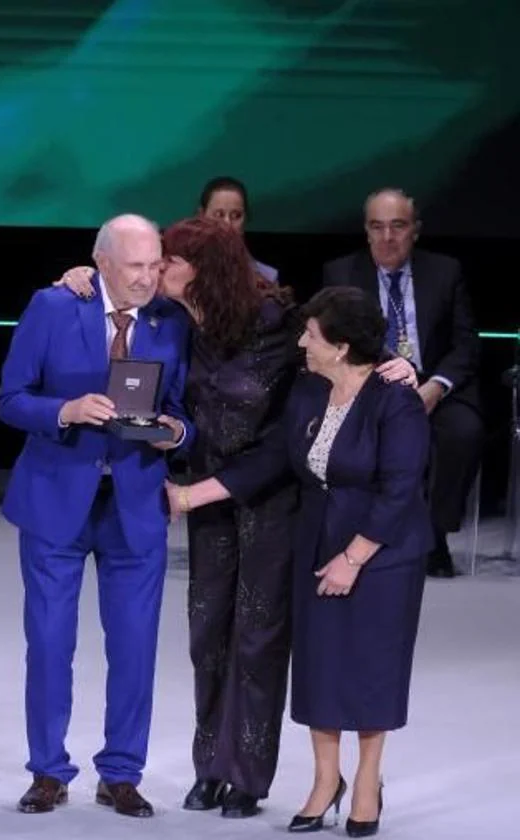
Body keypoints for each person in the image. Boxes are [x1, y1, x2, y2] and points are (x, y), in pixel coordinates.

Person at [58, 215, 300, 817]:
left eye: (169, 261)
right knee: (207, 638)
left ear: (205, 270)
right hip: (202, 497)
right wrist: (83, 274)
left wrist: (204, 490)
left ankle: (246, 774)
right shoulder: (178, 323)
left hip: (262, 498)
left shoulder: (272, 327)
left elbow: (283, 442)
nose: (157, 269)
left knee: (256, 638)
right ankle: (210, 767)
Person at [168, 287, 430, 838]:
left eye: (311, 335)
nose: (302, 342)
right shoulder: (310, 390)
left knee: (370, 672)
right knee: (319, 669)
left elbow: (400, 489)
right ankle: (324, 780)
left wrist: (354, 558)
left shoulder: (394, 398)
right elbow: (273, 457)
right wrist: (196, 494)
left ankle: (366, 784)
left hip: (381, 556)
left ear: (339, 345)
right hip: (313, 545)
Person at [0, 214, 193, 818]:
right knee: (51, 643)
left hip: (134, 504)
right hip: (57, 501)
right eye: (135, 265)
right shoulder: (54, 307)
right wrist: (68, 409)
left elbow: (184, 410)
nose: (147, 276)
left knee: (134, 646)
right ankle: (48, 771)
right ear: (101, 263)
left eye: (154, 263)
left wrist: (175, 433)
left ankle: (122, 773)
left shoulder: (170, 320)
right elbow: (11, 399)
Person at [322, 187, 482, 578]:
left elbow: (466, 343)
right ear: (366, 231)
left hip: (433, 386)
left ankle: (434, 533)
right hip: (368, 385)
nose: (387, 237)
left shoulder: (445, 271)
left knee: (464, 432)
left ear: (416, 230)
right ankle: (362, 533)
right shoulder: (341, 273)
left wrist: (436, 386)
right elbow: (330, 343)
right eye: (377, 227)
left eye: (397, 226)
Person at [199, 175, 279, 283]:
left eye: (236, 215)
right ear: (201, 215)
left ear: (246, 218)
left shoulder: (267, 277)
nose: (227, 223)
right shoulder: (177, 273)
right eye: (219, 214)